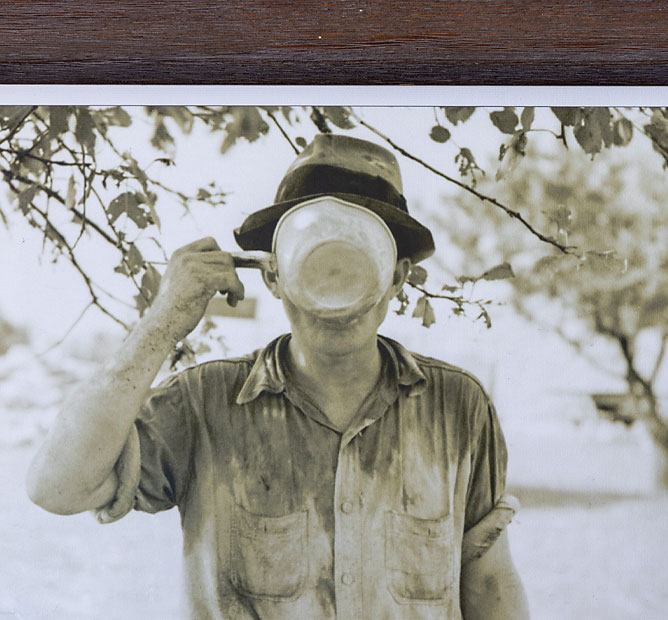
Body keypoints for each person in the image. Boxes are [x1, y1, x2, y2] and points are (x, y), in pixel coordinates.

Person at [27, 134, 528, 619]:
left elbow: (487, 580)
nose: (338, 289)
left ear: (396, 276)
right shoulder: (205, 403)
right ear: (273, 273)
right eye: (315, 251)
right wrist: (163, 322)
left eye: (360, 253)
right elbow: (57, 487)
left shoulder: (458, 406)